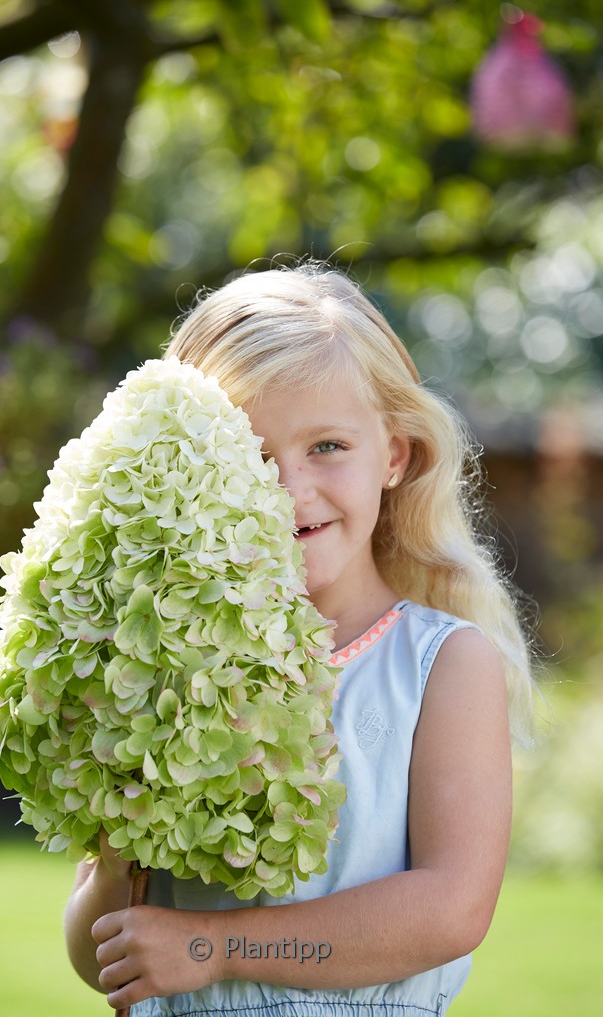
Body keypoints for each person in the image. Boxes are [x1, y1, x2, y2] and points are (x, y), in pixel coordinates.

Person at [64, 261, 535, 1017]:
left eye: (327, 447)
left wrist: (214, 947)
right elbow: (100, 955)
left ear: (394, 455)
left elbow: (450, 910)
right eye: (246, 455)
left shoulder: (441, 666)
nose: (288, 489)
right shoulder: (157, 668)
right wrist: (120, 857)